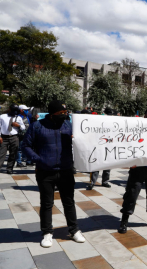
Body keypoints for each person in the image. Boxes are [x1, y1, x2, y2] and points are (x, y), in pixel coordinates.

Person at [23, 100, 85, 247]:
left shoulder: (68, 126)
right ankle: (47, 233)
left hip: (65, 171)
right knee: (46, 203)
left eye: (65, 113)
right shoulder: (37, 126)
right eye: (60, 113)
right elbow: (25, 145)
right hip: (45, 172)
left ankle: (74, 230)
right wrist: (38, 160)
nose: (64, 115)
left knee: (69, 202)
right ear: (52, 114)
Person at [86, 108, 115, 190]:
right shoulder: (99, 122)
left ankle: (105, 181)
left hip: (109, 147)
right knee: (96, 165)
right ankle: (93, 182)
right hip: (99, 146)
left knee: (108, 165)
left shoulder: (113, 123)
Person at [0, 104, 26, 174]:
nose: (14, 112)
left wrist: (18, 125)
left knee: (13, 153)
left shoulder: (19, 118)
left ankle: (9, 168)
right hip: (4, 137)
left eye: (16, 111)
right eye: (13, 110)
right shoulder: (2, 117)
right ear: (9, 109)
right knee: (2, 153)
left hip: (14, 137)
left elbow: (23, 128)